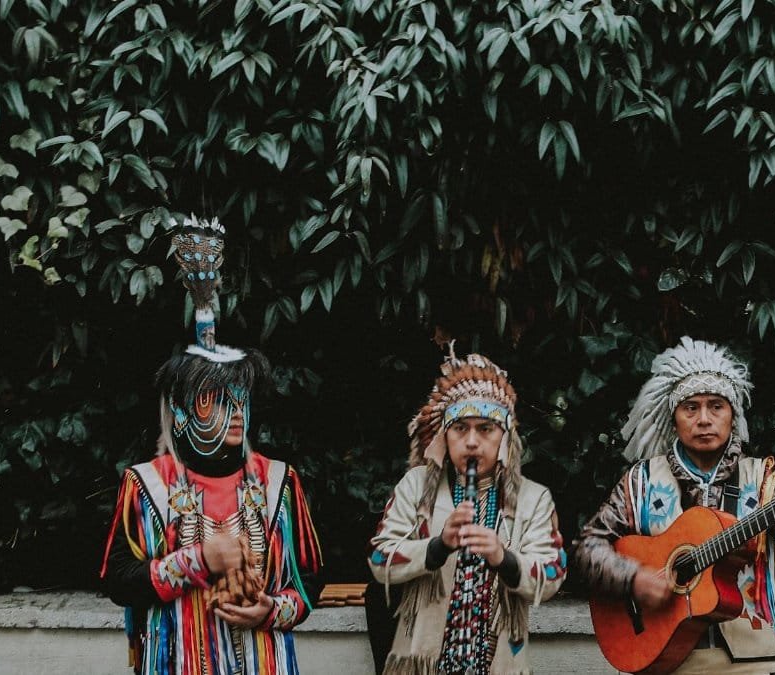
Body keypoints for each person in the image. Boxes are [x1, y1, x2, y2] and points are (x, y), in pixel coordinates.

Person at [100, 216, 322, 674]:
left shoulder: (279, 481)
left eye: (239, 398)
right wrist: (197, 559)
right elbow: (119, 580)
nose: (235, 411)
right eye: (215, 400)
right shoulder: (146, 485)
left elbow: (310, 580)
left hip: (265, 661)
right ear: (180, 412)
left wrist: (271, 610)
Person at [575, 337, 775, 673]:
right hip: (660, 657)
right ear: (674, 420)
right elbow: (587, 550)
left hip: (751, 663)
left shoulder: (764, 479)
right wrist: (633, 579)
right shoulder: (639, 482)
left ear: (733, 416)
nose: (704, 419)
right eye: (691, 407)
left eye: (716, 406)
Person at [369, 348, 567, 674]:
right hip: (423, 662)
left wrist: (503, 557)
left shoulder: (534, 499)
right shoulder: (416, 488)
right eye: (460, 428)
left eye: (485, 429)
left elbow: (553, 574)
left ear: (505, 438)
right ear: (444, 436)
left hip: (498, 662)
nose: (472, 442)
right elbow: (379, 559)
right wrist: (437, 546)